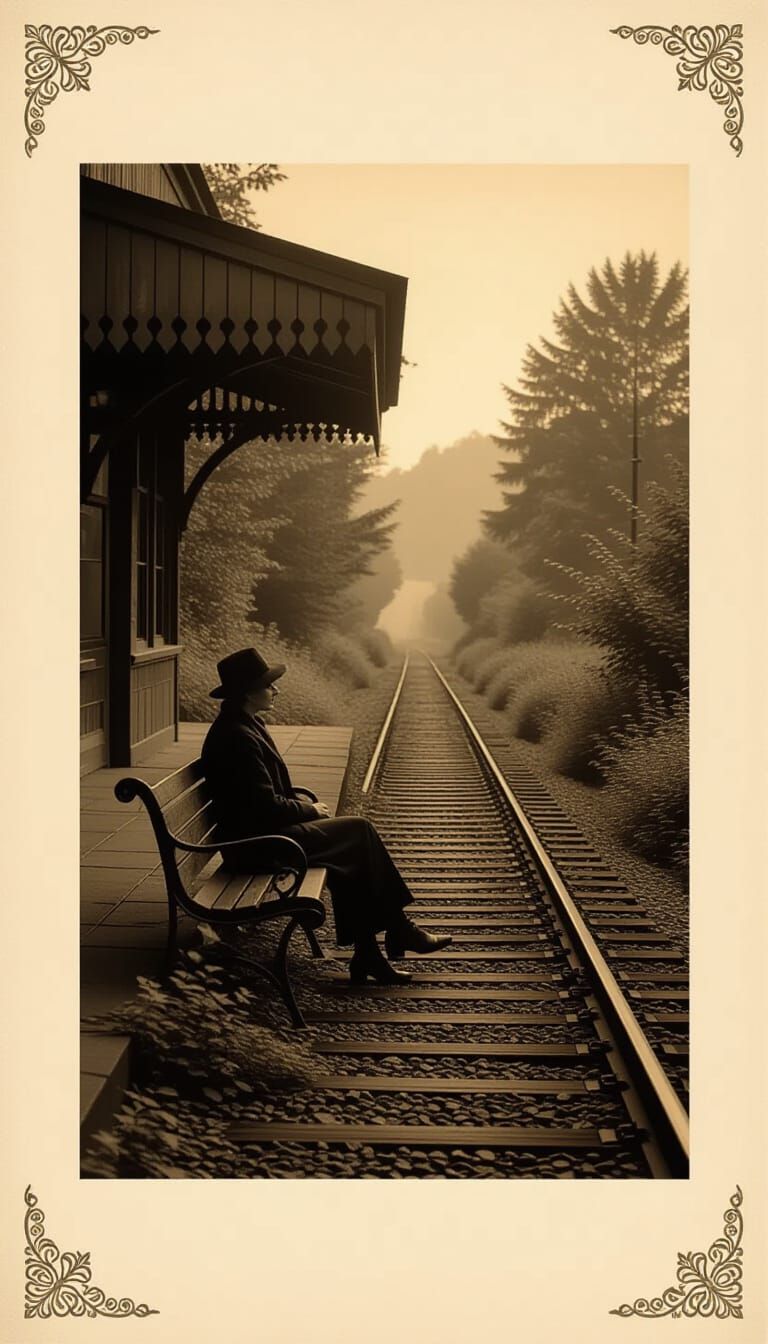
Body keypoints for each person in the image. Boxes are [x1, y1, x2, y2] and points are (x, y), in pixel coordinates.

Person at [200, 647, 452, 985]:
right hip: (258, 845)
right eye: (269, 684)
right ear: (249, 692)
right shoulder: (237, 737)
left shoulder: (243, 725)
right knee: (358, 833)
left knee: (354, 850)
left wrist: (301, 811)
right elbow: (265, 807)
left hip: (260, 834)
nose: (276, 689)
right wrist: (310, 810)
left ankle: (373, 952)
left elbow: (262, 802)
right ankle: (395, 933)